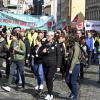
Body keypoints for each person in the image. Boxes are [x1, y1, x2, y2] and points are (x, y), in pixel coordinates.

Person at [41, 31, 61, 100]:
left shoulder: (56, 44)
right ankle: (50, 93)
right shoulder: (44, 43)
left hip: (53, 64)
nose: (47, 37)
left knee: (49, 77)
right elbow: (40, 52)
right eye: (47, 36)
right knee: (46, 78)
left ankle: (49, 94)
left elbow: (59, 55)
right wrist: (43, 51)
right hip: (45, 64)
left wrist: (58, 66)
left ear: (52, 36)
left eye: (49, 36)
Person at [65, 35, 80, 100]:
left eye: (69, 39)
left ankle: (75, 96)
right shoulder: (72, 45)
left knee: (73, 82)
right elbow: (71, 55)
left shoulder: (76, 46)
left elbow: (75, 58)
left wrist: (71, 69)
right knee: (67, 80)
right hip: (70, 65)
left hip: (75, 65)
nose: (67, 40)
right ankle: (73, 91)